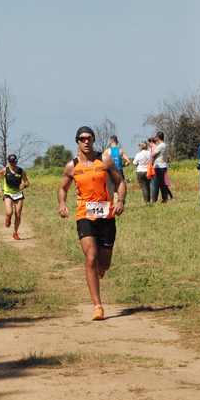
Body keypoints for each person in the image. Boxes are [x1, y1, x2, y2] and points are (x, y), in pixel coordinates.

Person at [58, 126, 126, 321]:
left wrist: (120, 200)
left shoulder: (104, 160)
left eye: (89, 138)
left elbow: (120, 181)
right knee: (90, 257)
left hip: (107, 215)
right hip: (84, 215)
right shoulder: (72, 166)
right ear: (77, 141)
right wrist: (62, 203)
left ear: (94, 140)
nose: (86, 141)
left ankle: (100, 269)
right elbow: (62, 188)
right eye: (82, 138)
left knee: (104, 263)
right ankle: (97, 305)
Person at [0, 153, 30, 240]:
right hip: (8, 194)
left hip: (18, 194)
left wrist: (24, 185)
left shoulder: (21, 171)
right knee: (9, 212)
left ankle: (15, 233)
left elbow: (27, 182)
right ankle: (8, 218)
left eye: (14, 162)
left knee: (18, 214)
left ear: (16, 161)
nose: (13, 164)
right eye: (11, 162)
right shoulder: (4, 170)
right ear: (8, 162)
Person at [151, 131, 169, 203]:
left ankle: (154, 199)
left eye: (156, 137)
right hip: (163, 165)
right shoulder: (165, 145)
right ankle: (165, 198)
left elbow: (153, 154)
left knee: (156, 184)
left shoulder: (160, 146)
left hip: (159, 166)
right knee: (163, 183)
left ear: (158, 138)